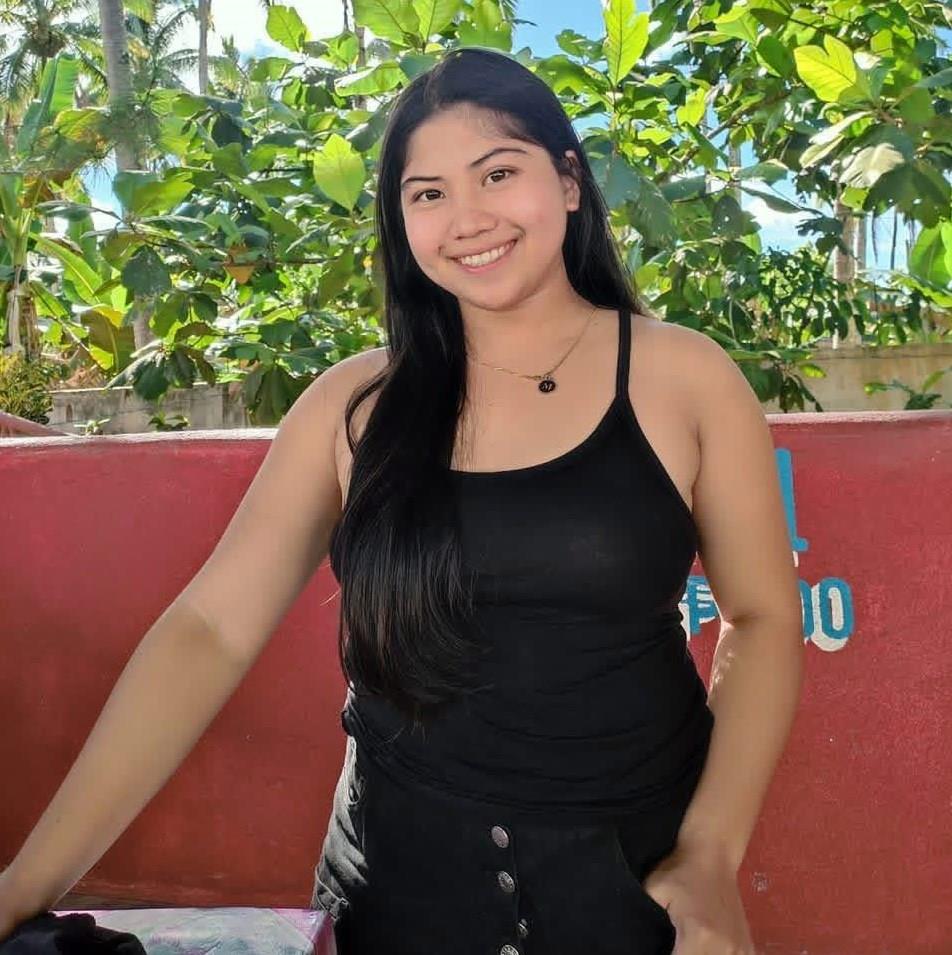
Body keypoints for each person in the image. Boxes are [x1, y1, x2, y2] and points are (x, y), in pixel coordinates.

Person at [0, 47, 804, 955]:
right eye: (428, 193)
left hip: (632, 892)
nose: (468, 218)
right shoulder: (352, 408)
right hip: (392, 904)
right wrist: (24, 884)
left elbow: (763, 618)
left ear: (569, 182)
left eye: (498, 173)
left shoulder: (684, 377)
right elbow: (209, 631)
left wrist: (709, 855)